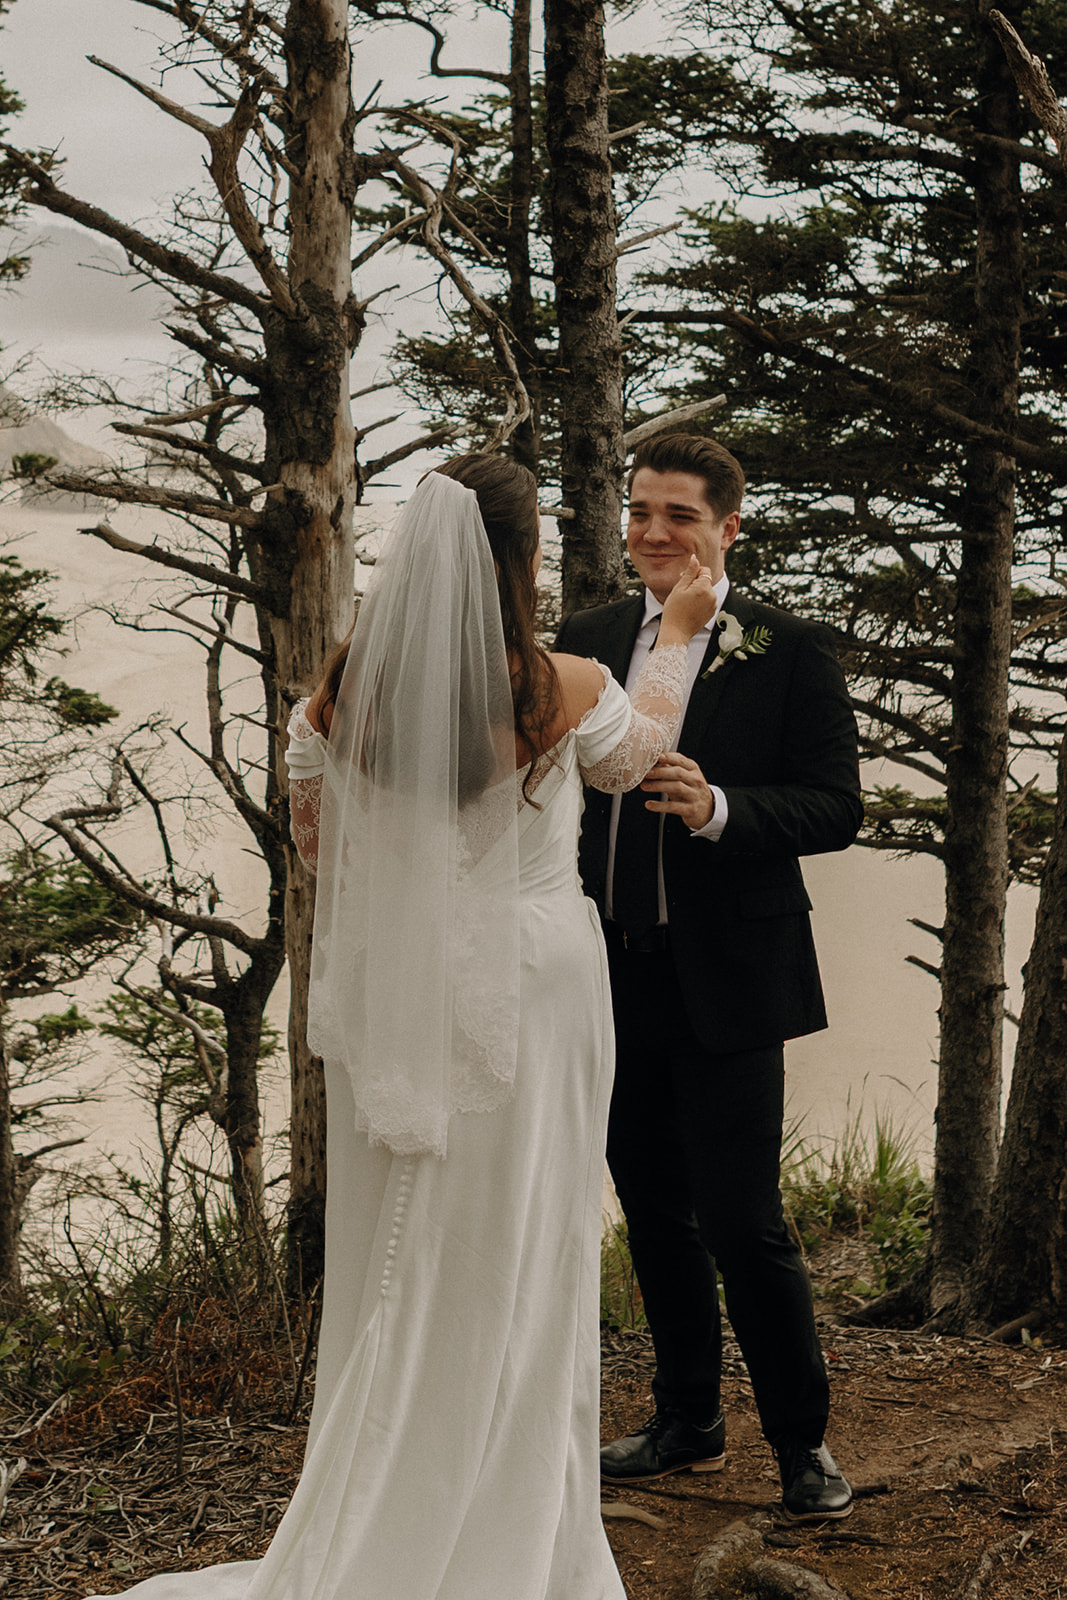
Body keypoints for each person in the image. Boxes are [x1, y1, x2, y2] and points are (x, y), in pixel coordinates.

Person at [92, 453, 718, 1600]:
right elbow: (646, 758)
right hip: (535, 989)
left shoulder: (330, 703)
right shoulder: (565, 686)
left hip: (403, 1002)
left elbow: (325, 854)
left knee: (412, 1249)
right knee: (523, 1248)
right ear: (520, 562)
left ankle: (386, 1506)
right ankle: (506, 1530)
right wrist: (678, 626)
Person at [555, 432, 863, 1522]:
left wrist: (723, 806)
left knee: (743, 1219)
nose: (649, 531)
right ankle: (685, 1417)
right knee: (650, 1208)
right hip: (606, 973)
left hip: (731, 975)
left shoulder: (785, 646)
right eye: (638, 510)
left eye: (676, 514)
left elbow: (834, 805)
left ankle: (800, 1445)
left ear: (727, 527)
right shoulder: (585, 638)